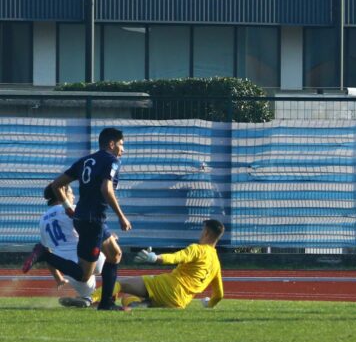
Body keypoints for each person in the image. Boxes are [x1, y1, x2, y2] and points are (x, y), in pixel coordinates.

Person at [23, 127, 132, 311]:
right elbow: (107, 189)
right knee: (83, 275)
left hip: (86, 216)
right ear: (111, 144)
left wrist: (67, 208)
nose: (123, 150)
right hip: (92, 220)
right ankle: (44, 254)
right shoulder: (113, 161)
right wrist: (121, 216)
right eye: (121, 145)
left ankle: (106, 303)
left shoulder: (85, 160)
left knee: (115, 254)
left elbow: (57, 184)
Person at [118, 219, 224, 309]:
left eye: (202, 230)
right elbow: (219, 295)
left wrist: (155, 258)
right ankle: (144, 305)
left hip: (169, 287)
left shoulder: (198, 249)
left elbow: (176, 257)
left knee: (120, 286)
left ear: (206, 232)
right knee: (147, 300)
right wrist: (209, 304)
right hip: (180, 302)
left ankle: (102, 302)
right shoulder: (216, 264)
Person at [36, 184, 107, 308]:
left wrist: (59, 278)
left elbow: (47, 250)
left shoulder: (43, 219)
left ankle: (86, 298)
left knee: (89, 295)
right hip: (86, 260)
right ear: (62, 193)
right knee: (112, 256)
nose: (73, 196)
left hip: (68, 270)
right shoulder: (71, 210)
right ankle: (93, 298)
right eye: (71, 192)